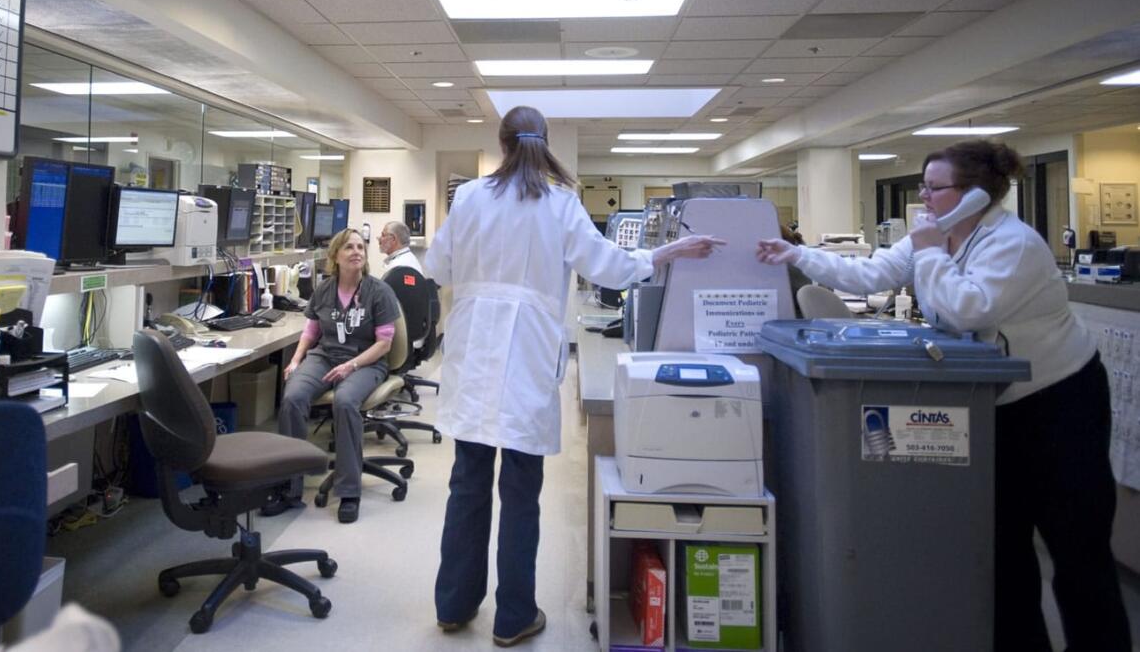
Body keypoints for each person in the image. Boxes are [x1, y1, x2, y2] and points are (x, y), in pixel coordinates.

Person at [756, 140, 1129, 651]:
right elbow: (872, 274)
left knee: (1077, 549)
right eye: (923, 186)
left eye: (935, 188)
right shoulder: (935, 236)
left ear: (975, 194)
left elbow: (966, 310)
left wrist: (930, 251)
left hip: (1057, 399)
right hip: (991, 401)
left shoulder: (1012, 244)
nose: (924, 198)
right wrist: (795, 253)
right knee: (1001, 547)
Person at [426, 105, 725, 647]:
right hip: (526, 357)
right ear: (543, 143)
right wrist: (667, 252)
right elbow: (608, 267)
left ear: (501, 143)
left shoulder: (468, 197)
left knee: (467, 482)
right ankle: (514, 616)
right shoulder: (559, 203)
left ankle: (454, 604)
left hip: (473, 352)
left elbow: (437, 268)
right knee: (519, 489)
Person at [265, 227, 401, 524]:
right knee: (293, 397)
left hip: (366, 362)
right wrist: (297, 360)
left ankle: (349, 491)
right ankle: (289, 487)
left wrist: (351, 366)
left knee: (345, 401)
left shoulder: (378, 292)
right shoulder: (324, 290)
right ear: (335, 256)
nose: (356, 252)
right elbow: (312, 330)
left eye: (360, 248)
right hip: (325, 356)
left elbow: (384, 344)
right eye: (349, 247)